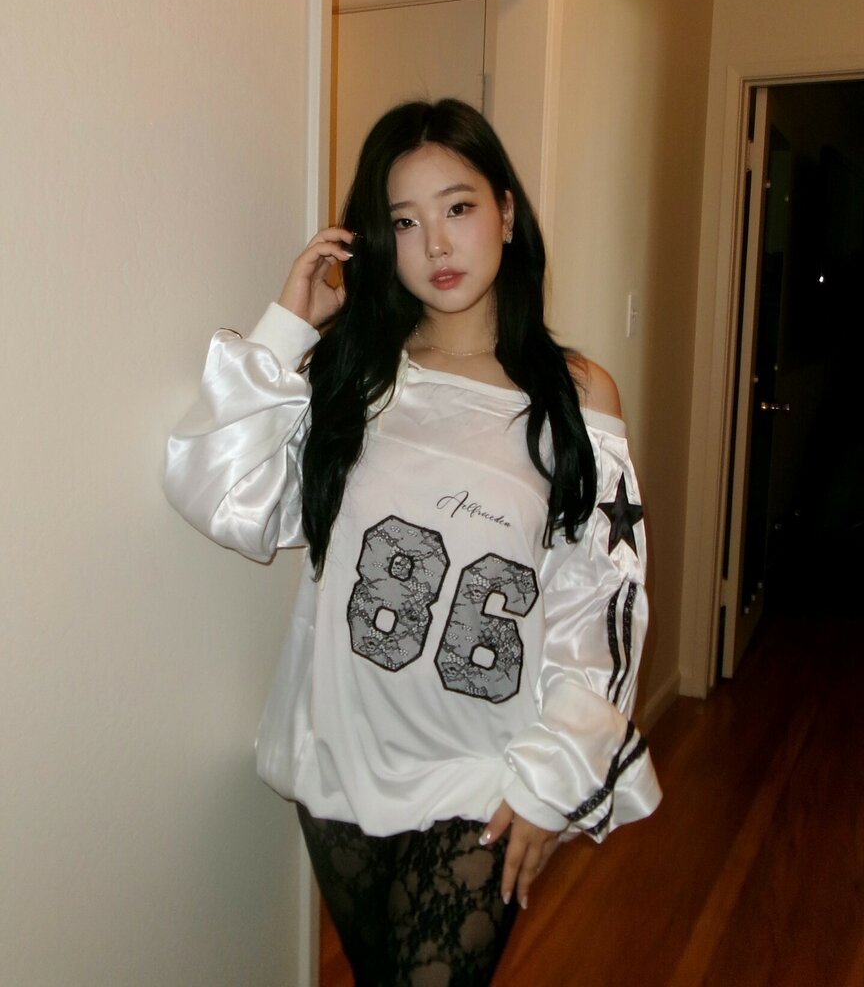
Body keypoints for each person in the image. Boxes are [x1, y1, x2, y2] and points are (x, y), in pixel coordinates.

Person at [164, 98, 661, 986]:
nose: (435, 243)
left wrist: (551, 780)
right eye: (403, 221)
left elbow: (598, 606)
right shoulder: (355, 377)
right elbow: (218, 490)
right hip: (342, 759)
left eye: (458, 207)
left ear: (506, 211)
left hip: (481, 772)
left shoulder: (576, 396)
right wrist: (289, 324)